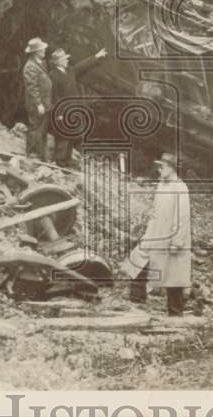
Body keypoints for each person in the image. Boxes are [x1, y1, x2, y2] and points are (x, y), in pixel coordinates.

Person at [123, 152, 192, 316]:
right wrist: (147, 232)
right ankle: (136, 303)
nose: (159, 170)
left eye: (163, 167)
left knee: (174, 275)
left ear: (172, 168)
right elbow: (155, 212)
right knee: (137, 260)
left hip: (171, 237)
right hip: (155, 234)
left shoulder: (180, 188)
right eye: (159, 166)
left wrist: (177, 241)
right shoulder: (162, 185)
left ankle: (175, 313)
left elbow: (182, 217)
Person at [48, 46, 107, 166]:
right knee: (62, 136)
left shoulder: (70, 71)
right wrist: (58, 114)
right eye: (64, 59)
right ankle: (59, 161)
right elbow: (54, 96)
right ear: (58, 62)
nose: (67, 60)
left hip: (73, 109)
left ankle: (67, 160)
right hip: (62, 111)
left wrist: (97, 56)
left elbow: (82, 65)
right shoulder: (53, 75)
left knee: (71, 135)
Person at [22, 37, 52, 160]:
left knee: (42, 128)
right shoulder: (30, 67)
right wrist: (39, 104)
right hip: (36, 104)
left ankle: (41, 155)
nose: (44, 51)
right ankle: (32, 154)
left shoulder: (39, 63)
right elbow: (32, 87)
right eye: (42, 49)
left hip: (44, 102)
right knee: (35, 127)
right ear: (36, 52)